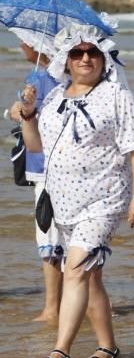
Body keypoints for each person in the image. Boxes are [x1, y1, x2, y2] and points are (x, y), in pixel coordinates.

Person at [16, 24, 134, 358]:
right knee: (90, 276)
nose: (86, 58)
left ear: (104, 58)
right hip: (64, 204)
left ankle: (61, 351)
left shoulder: (117, 95)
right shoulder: (56, 99)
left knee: (74, 270)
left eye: (93, 52)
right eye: (77, 53)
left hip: (104, 201)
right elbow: (35, 146)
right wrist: (29, 114)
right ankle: (108, 346)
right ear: (66, 60)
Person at [7, 40, 63, 322]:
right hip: (64, 165)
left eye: (24, 42)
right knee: (70, 238)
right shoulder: (68, 77)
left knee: (49, 237)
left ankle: (52, 308)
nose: (20, 47)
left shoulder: (40, 78)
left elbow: (25, 113)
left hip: (45, 167)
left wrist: (13, 111)